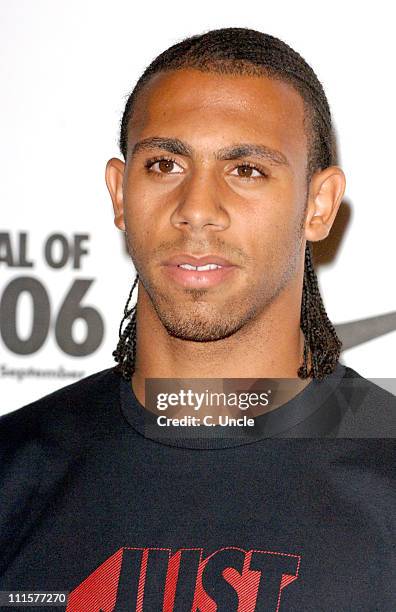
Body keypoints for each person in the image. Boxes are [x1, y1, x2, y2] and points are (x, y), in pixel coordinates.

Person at [0, 27, 395, 611]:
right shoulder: (13, 470)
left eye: (247, 171)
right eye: (165, 164)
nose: (197, 210)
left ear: (319, 205)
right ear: (118, 192)